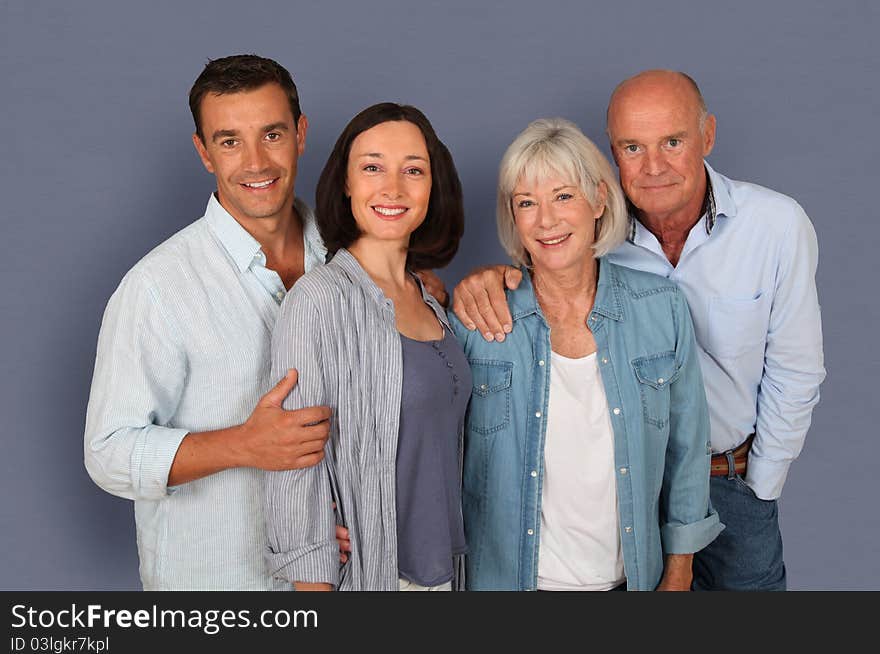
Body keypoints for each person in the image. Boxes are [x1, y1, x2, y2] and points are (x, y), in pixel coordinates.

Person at [453, 70, 826, 591]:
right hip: (620, 505)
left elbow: (797, 369)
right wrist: (480, 282)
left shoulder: (775, 227)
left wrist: (761, 483)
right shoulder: (518, 294)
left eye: (672, 142)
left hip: (731, 479)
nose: (653, 166)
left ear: (707, 136)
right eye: (632, 147)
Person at [84, 55, 349, 590]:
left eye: (271, 134)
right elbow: (107, 452)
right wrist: (243, 445)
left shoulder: (354, 263)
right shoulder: (158, 287)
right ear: (204, 152)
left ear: (300, 134)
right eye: (230, 141)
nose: (256, 162)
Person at [450, 118, 722, 591]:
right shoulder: (481, 318)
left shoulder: (660, 308)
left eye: (563, 196)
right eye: (526, 203)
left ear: (598, 200)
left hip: (631, 583)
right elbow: (431, 448)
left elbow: (687, 454)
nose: (546, 220)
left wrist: (680, 570)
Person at [264, 103, 468, 591]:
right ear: (346, 183)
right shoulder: (318, 301)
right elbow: (295, 468)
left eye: (413, 170)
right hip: (374, 577)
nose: (393, 188)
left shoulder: (433, 303)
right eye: (372, 167)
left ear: (432, 188)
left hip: (450, 572)